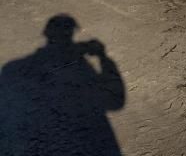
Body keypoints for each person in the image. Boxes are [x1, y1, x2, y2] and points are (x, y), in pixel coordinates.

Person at [0, 14, 125, 155]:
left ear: (46, 34)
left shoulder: (12, 68)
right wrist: (103, 57)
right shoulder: (79, 65)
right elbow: (115, 103)